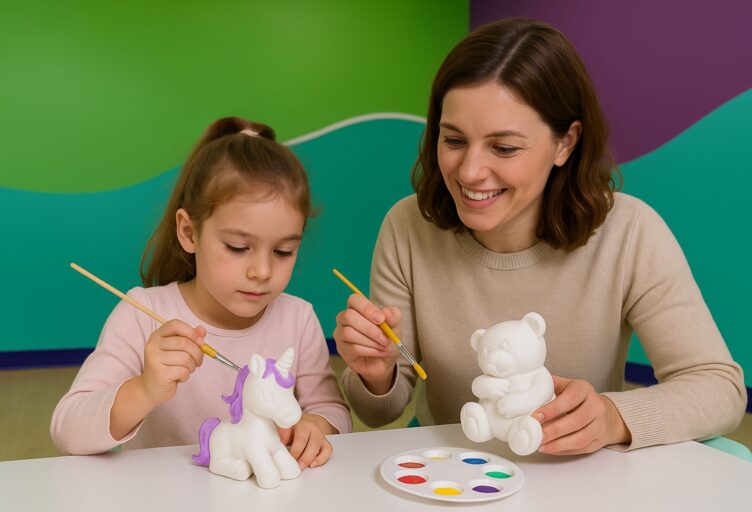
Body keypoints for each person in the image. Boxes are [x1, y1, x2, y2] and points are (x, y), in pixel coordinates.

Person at [334, 18, 746, 455]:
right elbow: (383, 411)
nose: (469, 171)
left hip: (577, 474)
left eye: (504, 148)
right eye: (453, 139)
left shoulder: (630, 233)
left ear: (565, 143)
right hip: (452, 472)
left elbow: (719, 388)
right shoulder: (407, 226)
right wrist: (375, 374)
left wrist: (612, 417)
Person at [52, 117, 351, 469]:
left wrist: (317, 426)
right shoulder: (141, 313)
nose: (262, 272)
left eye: (283, 251)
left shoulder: (298, 318)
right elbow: (67, 429)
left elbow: (333, 410)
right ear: (189, 232)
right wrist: (145, 388)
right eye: (238, 247)